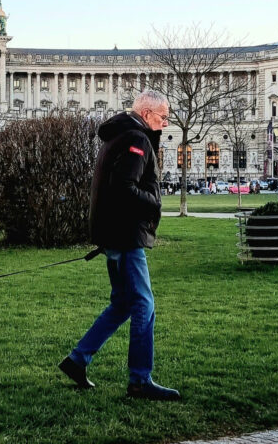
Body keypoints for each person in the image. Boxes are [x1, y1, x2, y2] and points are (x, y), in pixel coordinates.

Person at [58, 91, 181, 400]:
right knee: (144, 305)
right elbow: (124, 188)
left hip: (115, 233)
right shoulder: (136, 140)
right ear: (148, 114)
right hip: (126, 235)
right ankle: (140, 379)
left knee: (123, 303)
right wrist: (154, 203)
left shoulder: (118, 136)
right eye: (163, 117)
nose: (165, 124)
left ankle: (77, 360)